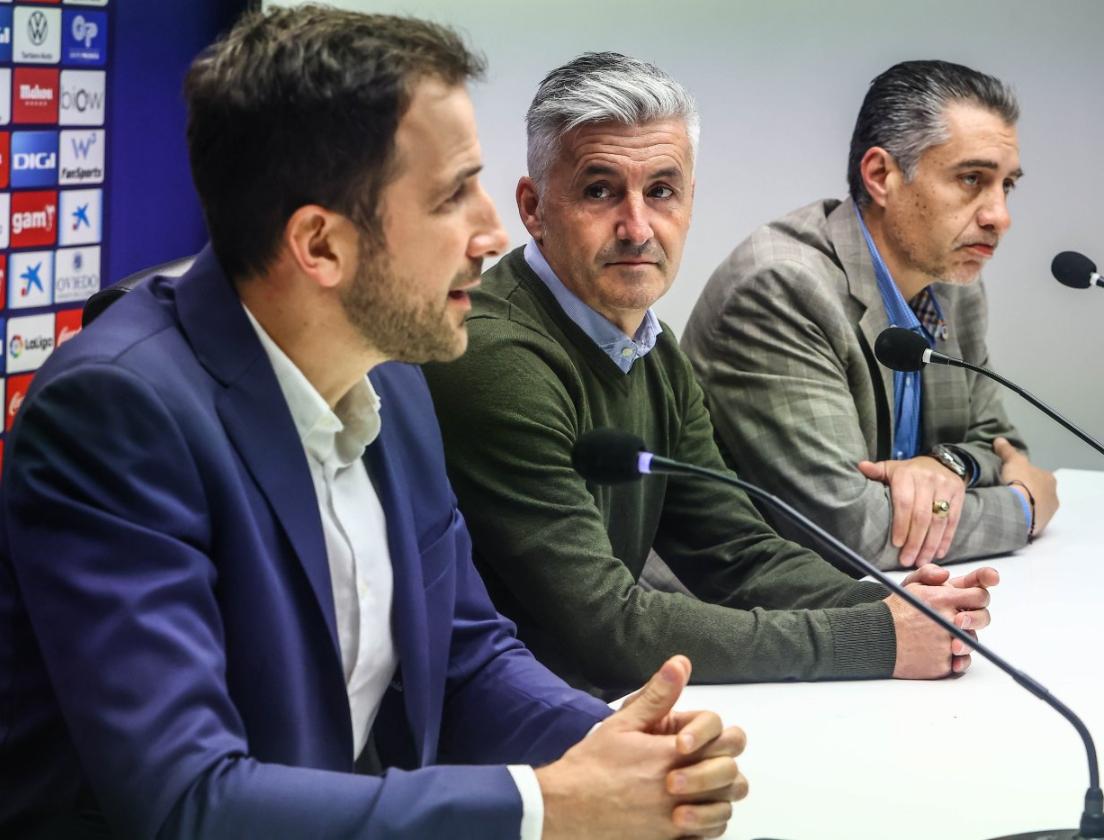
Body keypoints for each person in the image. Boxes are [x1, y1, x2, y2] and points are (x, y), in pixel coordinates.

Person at [0, 10, 747, 839]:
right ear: (321, 246)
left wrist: (620, 749)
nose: (492, 233)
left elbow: (467, 656)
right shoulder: (115, 413)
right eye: (451, 196)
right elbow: (186, 800)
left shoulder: (394, 371)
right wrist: (545, 805)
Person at [423, 52, 999, 699]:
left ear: (690, 202)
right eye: (599, 190)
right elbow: (605, 627)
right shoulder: (498, 357)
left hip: (601, 712)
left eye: (661, 191)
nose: (637, 227)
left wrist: (889, 602)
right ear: (534, 208)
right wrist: (873, 636)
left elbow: (734, 550)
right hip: (516, 740)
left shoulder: (649, 347)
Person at [683, 60, 1060, 571]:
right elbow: (850, 529)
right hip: (756, 610)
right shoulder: (782, 287)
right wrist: (1024, 507)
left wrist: (948, 464)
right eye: (972, 179)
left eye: (1006, 185)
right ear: (881, 176)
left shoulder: (951, 282)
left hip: (898, 592)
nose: (1000, 216)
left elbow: (999, 442)